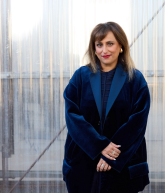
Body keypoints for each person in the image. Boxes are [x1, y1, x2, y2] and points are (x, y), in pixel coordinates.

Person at [63, 21, 150, 193]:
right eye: (99, 45)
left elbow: (137, 122)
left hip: (122, 163)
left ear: (121, 46)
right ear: (94, 48)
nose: (104, 50)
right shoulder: (80, 77)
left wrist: (112, 154)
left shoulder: (135, 79)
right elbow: (72, 115)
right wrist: (99, 145)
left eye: (110, 44)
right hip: (84, 160)